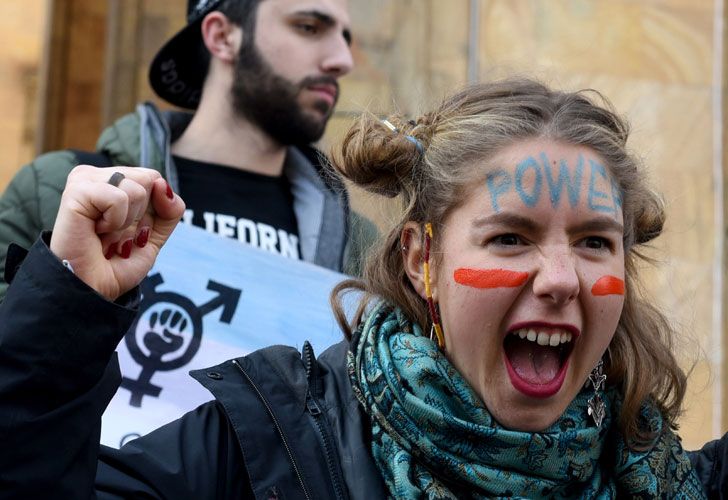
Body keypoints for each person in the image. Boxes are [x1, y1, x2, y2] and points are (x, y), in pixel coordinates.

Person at [0, 78, 723, 498]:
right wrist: (64, 314)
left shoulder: (660, 475)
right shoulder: (269, 443)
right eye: (510, 237)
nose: (563, 279)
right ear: (421, 260)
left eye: (596, 241)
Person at [0, 0, 377, 302]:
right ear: (222, 35)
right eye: (309, 27)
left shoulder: (363, 248)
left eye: (345, 36)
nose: (343, 60)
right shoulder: (56, 192)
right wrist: (69, 291)